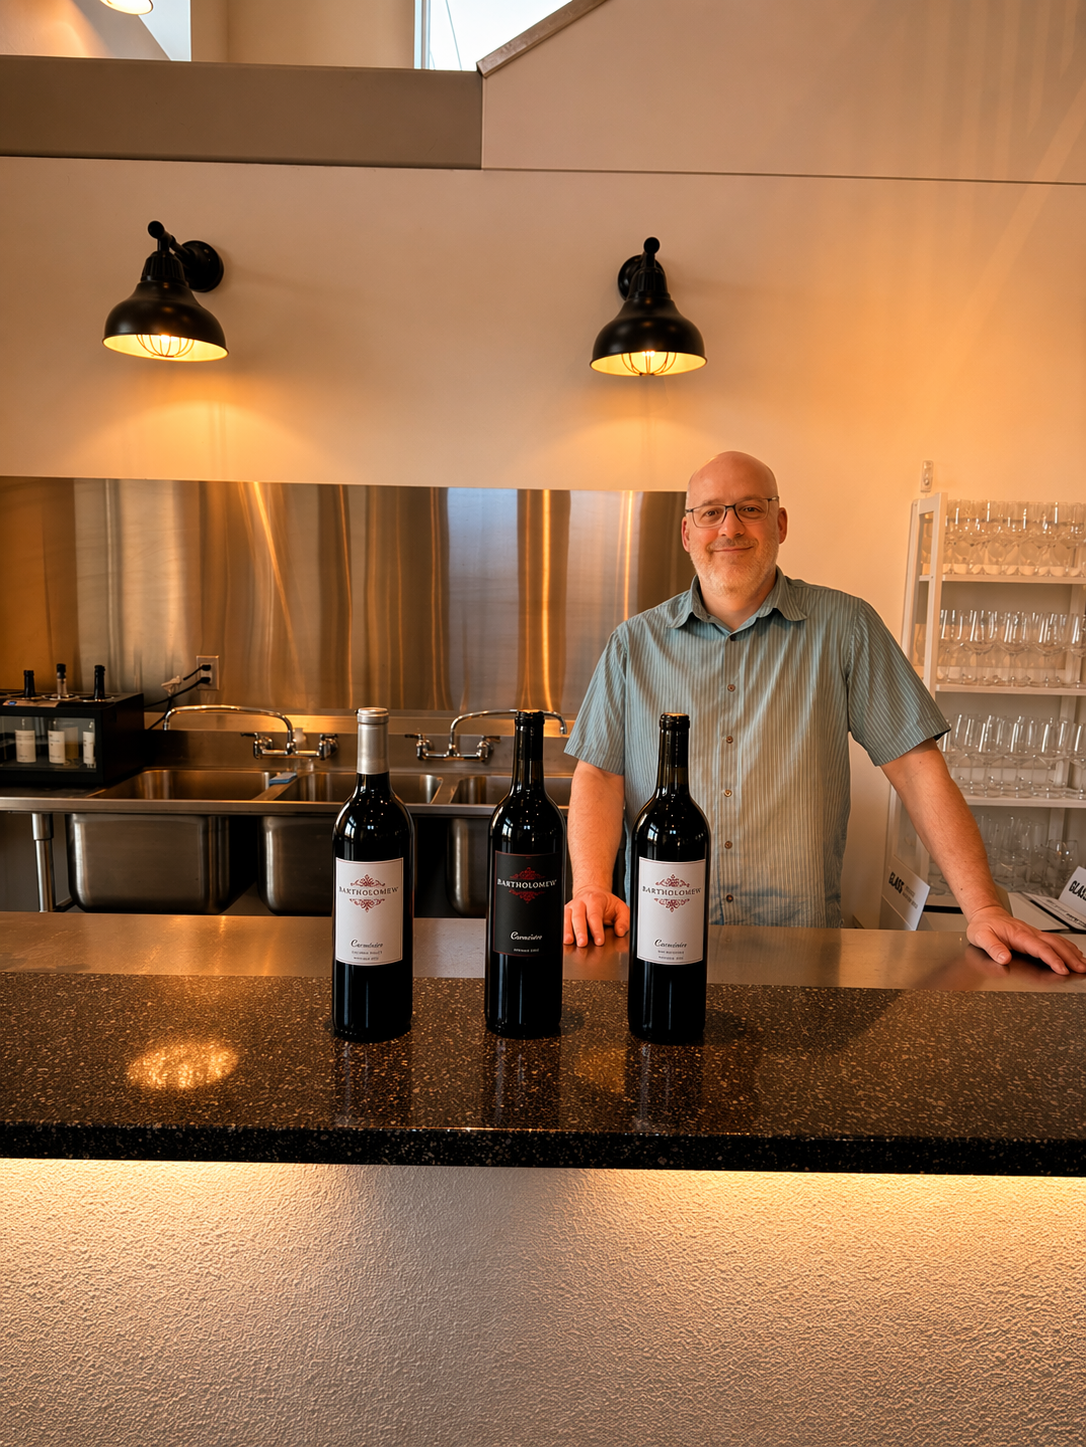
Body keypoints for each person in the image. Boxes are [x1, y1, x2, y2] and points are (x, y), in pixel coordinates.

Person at [562, 450, 1086, 976]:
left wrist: (984, 907)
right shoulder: (634, 643)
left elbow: (917, 768)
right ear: (686, 532)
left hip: (798, 948)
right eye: (711, 512)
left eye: (750, 508)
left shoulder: (847, 627)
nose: (730, 527)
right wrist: (590, 887)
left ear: (780, 523)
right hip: (659, 937)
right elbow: (600, 774)